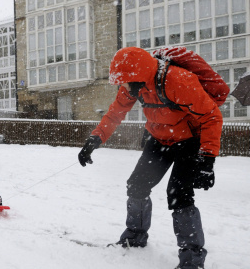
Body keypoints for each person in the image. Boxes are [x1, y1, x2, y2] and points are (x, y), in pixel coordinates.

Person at [78, 47, 226, 269]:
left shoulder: (179, 81)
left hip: (189, 141)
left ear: (138, 75)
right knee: (136, 186)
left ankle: (192, 259)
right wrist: (95, 139)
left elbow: (212, 116)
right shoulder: (134, 87)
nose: (123, 87)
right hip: (158, 138)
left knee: (179, 195)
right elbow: (115, 113)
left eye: (126, 81)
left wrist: (207, 159)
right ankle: (135, 236)